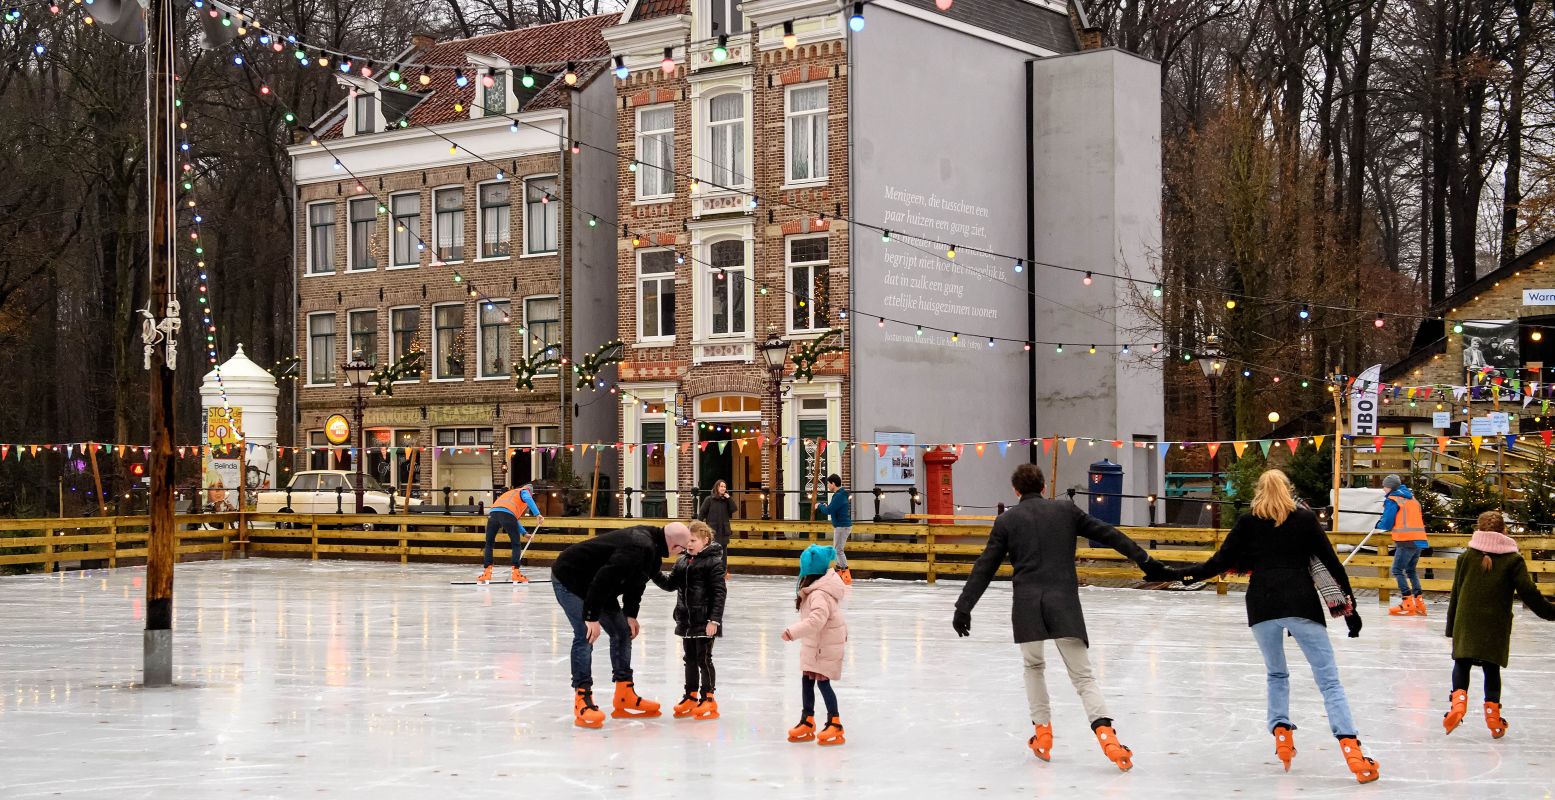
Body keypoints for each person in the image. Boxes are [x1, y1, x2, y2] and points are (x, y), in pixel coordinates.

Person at [952, 463, 1173, 772]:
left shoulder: (1007, 521)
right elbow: (1109, 535)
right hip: (1063, 602)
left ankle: (1043, 734)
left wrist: (964, 606)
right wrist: (1145, 560)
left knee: (1033, 667)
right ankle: (1107, 737)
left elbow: (985, 566)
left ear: (1016, 491)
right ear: (1043, 487)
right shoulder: (1066, 512)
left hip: (1028, 605)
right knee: (1083, 677)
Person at [1165, 469, 1378, 784]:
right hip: (1301, 603)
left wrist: (1183, 574)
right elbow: (1331, 563)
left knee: (1277, 674)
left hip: (1262, 606)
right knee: (1329, 682)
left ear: (1259, 491)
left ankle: (1281, 734)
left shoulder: (1248, 523)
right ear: (1287, 490)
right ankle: (1351, 748)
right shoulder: (1305, 520)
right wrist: (1350, 609)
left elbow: (1219, 563)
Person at [551, 521, 692, 728]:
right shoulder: (639, 546)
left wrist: (630, 615)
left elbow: (637, 582)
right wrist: (591, 616)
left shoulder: (652, 550)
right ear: (674, 546)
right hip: (571, 579)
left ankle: (624, 694)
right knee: (585, 634)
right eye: (682, 550)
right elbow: (604, 579)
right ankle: (583, 697)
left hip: (596, 585)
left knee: (622, 632)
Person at [1442, 510, 1555, 738]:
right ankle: (1493, 718)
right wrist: (1550, 612)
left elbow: (1456, 592)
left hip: (1466, 618)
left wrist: (1452, 625)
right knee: (1491, 667)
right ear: (1504, 530)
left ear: (1479, 529)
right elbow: (1528, 592)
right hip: (1495, 622)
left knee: (1462, 662)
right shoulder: (1513, 559)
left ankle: (1458, 704)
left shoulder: (1466, 556)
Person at [652, 520, 727, 720]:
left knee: (704, 659)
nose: (689, 544)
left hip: (705, 620)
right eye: (687, 541)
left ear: (706, 540)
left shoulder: (713, 562)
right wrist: (653, 571)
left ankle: (709, 698)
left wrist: (714, 620)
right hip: (686, 620)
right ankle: (691, 695)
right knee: (690, 660)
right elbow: (669, 585)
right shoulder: (682, 561)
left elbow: (719, 593)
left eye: (693, 540)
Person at [782, 544, 850, 746]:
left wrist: (792, 632)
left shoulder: (819, 593)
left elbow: (816, 621)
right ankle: (808, 719)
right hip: (816, 643)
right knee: (807, 677)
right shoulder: (815, 588)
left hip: (826, 644)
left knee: (822, 680)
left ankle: (835, 723)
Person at [1378, 474, 1429, 617]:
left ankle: (1407, 601)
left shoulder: (1393, 499)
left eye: (1385, 486)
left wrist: (1380, 525)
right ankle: (1419, 601)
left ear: (1391, 487)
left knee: (1397, 570)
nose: (1383, 489)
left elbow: (1387, 522)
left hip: (1406, 539)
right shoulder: (1412, 499)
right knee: (1411, 570)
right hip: (1419, 539)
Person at [476, 483, 543, 584]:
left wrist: (524, 533)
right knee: (515, 544)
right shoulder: (524, 491)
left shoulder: (510, 493)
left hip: (493, 514)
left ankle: (487, 573)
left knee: (489, 543)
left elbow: (513, 518)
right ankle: (516, 573)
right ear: (530, 492)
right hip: (507, 515)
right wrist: (537, 514)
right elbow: (524, 502)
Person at [818, 474, 854, 584]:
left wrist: (819, 506)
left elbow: (829, 510)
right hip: (842, 526)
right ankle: (840, 573)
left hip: (841, 526)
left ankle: (845, 574)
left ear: (833, 484)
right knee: (838, 550)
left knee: (838, 550)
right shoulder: (841, 495)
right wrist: (825, 506)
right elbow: (832, 508)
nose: (828, 486)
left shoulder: (838, 496)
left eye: (828, 484)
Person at [697, 479, 738, 550]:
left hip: (724, 532)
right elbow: (702, 513)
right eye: (721, 486)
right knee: (712, 553)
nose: (723, 488)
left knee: (723, 555)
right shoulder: (709, 499)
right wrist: (697, 527)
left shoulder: (726, 500)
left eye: (725, 487)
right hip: (713, 531)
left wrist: (729, 498)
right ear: (717, 487)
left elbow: (734, 509)